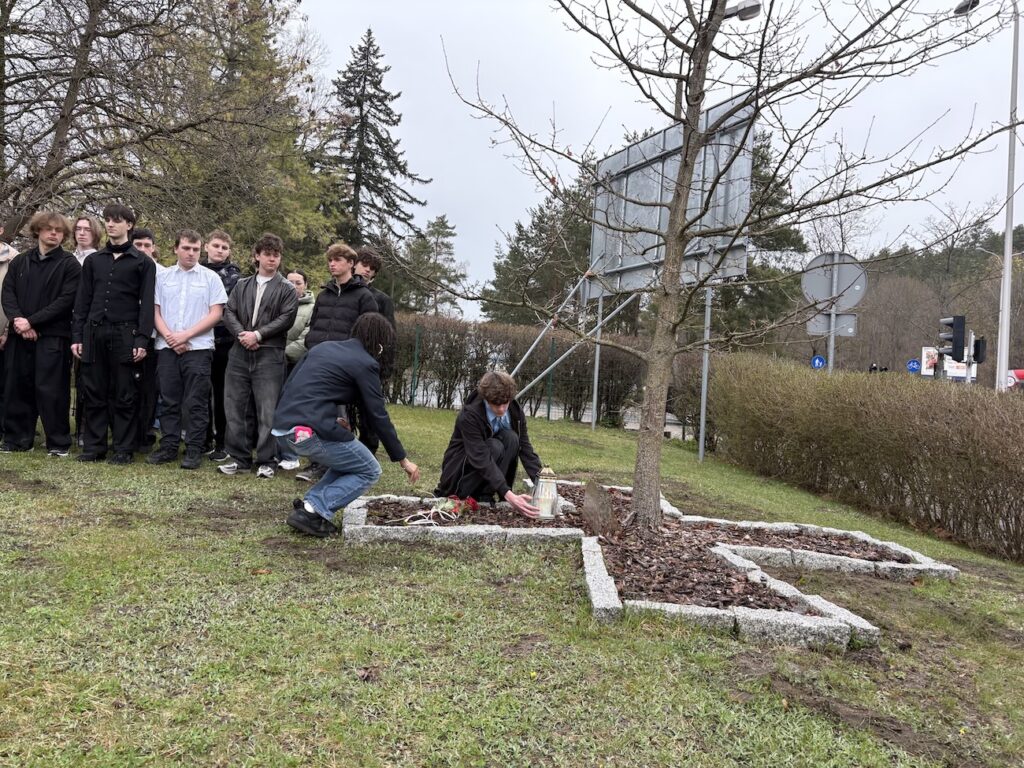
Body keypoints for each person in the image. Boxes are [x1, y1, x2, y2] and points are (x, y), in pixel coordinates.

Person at [273, 312, 419, 538]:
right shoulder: (365, 362)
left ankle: (309, 506)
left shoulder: (323, 348)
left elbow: (297, 387)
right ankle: (315, 510)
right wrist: (403, 460)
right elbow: (377, 415)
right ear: (378, 342)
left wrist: (330, 418)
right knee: (369, 469)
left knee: (350, 462)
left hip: (283, 428)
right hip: (309, 431)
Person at [72, 203, 156, 464]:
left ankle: (123, 448)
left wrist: (142, 338)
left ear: (129, 225)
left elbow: (147, 304)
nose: (110, 224)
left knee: (125, 393)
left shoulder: (143, 262)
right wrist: (77, 336)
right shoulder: (94, 261)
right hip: (94, 332)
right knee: (93, 390)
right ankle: (95, 446)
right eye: (107, 219)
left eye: (117, 220)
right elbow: (82, 301)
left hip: (125, 333)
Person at [295, 242, 377, 483]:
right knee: (316, 415)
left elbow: (370, 332)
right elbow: (316, 324)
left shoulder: (364, 296)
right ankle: (317, 462)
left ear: (351, 263)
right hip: (319, 363)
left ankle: (336, 463)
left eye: (338, 259)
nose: (332, 263)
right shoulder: (324, 295)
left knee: (340, 419)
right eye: (330, 259)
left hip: (344, 367)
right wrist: (312, 345)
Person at [218, 232, 297, 478]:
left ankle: (267, 460)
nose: (272, 259)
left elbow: (286, 318)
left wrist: (258, 335)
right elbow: (228, 311)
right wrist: (243, 334)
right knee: (234, 407)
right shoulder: (242, 285)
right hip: (239, 353)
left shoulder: (286, 288)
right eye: (267, 255)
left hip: (269, 355)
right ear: (257, 256)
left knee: (268, 411)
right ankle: (239, 458)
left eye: (276, 255)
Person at [0, 212, 80, 455]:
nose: (53, 233)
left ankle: (58, 443)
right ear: (38, 231)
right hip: (18, 335)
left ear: (64, 235)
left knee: (52, 390)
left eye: (58, 230)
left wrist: (32, 322)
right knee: (17, 387)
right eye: (48, 229)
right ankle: (16, 440)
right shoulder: (20, 261)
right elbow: (8, 294)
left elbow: (65, 301)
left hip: (52, 337)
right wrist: (18, 321)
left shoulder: (69, 264)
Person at [148, 230, 227, 469]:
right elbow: (155, 311)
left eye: (195, 249)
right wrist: (171, 337)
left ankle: (194, 449)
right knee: (169, 400)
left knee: (196, 402)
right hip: (167, 347)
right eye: (186, 248)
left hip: (199, 348)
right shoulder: (162, 277)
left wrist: (186, 335)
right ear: (175, 248)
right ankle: (169, 447)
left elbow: (216, 313)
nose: (191, 253)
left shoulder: (210, 278)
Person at [434, 371, 541, 518]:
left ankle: (486, 495)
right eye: (496, 405)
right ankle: (466, 494)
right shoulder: (469, 415)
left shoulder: (515, 412)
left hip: (488, 467)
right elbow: (481, 456)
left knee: (512, 438)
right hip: (460, 473)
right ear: (486, 399)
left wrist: (542, 482)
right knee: (494, 446)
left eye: (506, 403)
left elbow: (525, 448)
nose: (503, 409)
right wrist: (508, 493)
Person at [200, 229, 241, 462]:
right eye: (216, 245)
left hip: (224, 341)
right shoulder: (196, 272)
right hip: (198, 340)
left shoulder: (235, 278)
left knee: (223, 394)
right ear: (207, 246)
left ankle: (223, 441)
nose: (220, 250)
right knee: (200, 393)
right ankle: (202, 438)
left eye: (224, 248)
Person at [279, 268, 316, 472]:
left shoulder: (312, 307)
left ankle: (291, 454)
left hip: (296, 364)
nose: (293, 286)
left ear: (306, 285)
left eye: (298, 282)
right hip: (271, 362)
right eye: (289, 282)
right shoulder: (277, 302)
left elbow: (306, 338)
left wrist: (282, 353)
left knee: (291, 410)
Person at [131, 227, 164, 451]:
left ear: (154, 248)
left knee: (149, 389)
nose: (143, 250)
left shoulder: (162, 272)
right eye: (138, 245)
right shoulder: (123, 266)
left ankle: (146, 433)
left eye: (147, 245)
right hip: (126, 335)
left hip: (153, 338)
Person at [0, 225, 18, 443]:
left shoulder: (14, 259)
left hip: (5, 330)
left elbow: (15, 295)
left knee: (6, 383)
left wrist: (7, 330)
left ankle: (5, 428)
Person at [354, 246, 396, 329]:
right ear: (354, 264)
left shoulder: (383, 300)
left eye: (372, 268)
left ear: (374, 273)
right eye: (364, 264)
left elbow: (390, 333)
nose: (368, 269)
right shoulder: (341, 292)